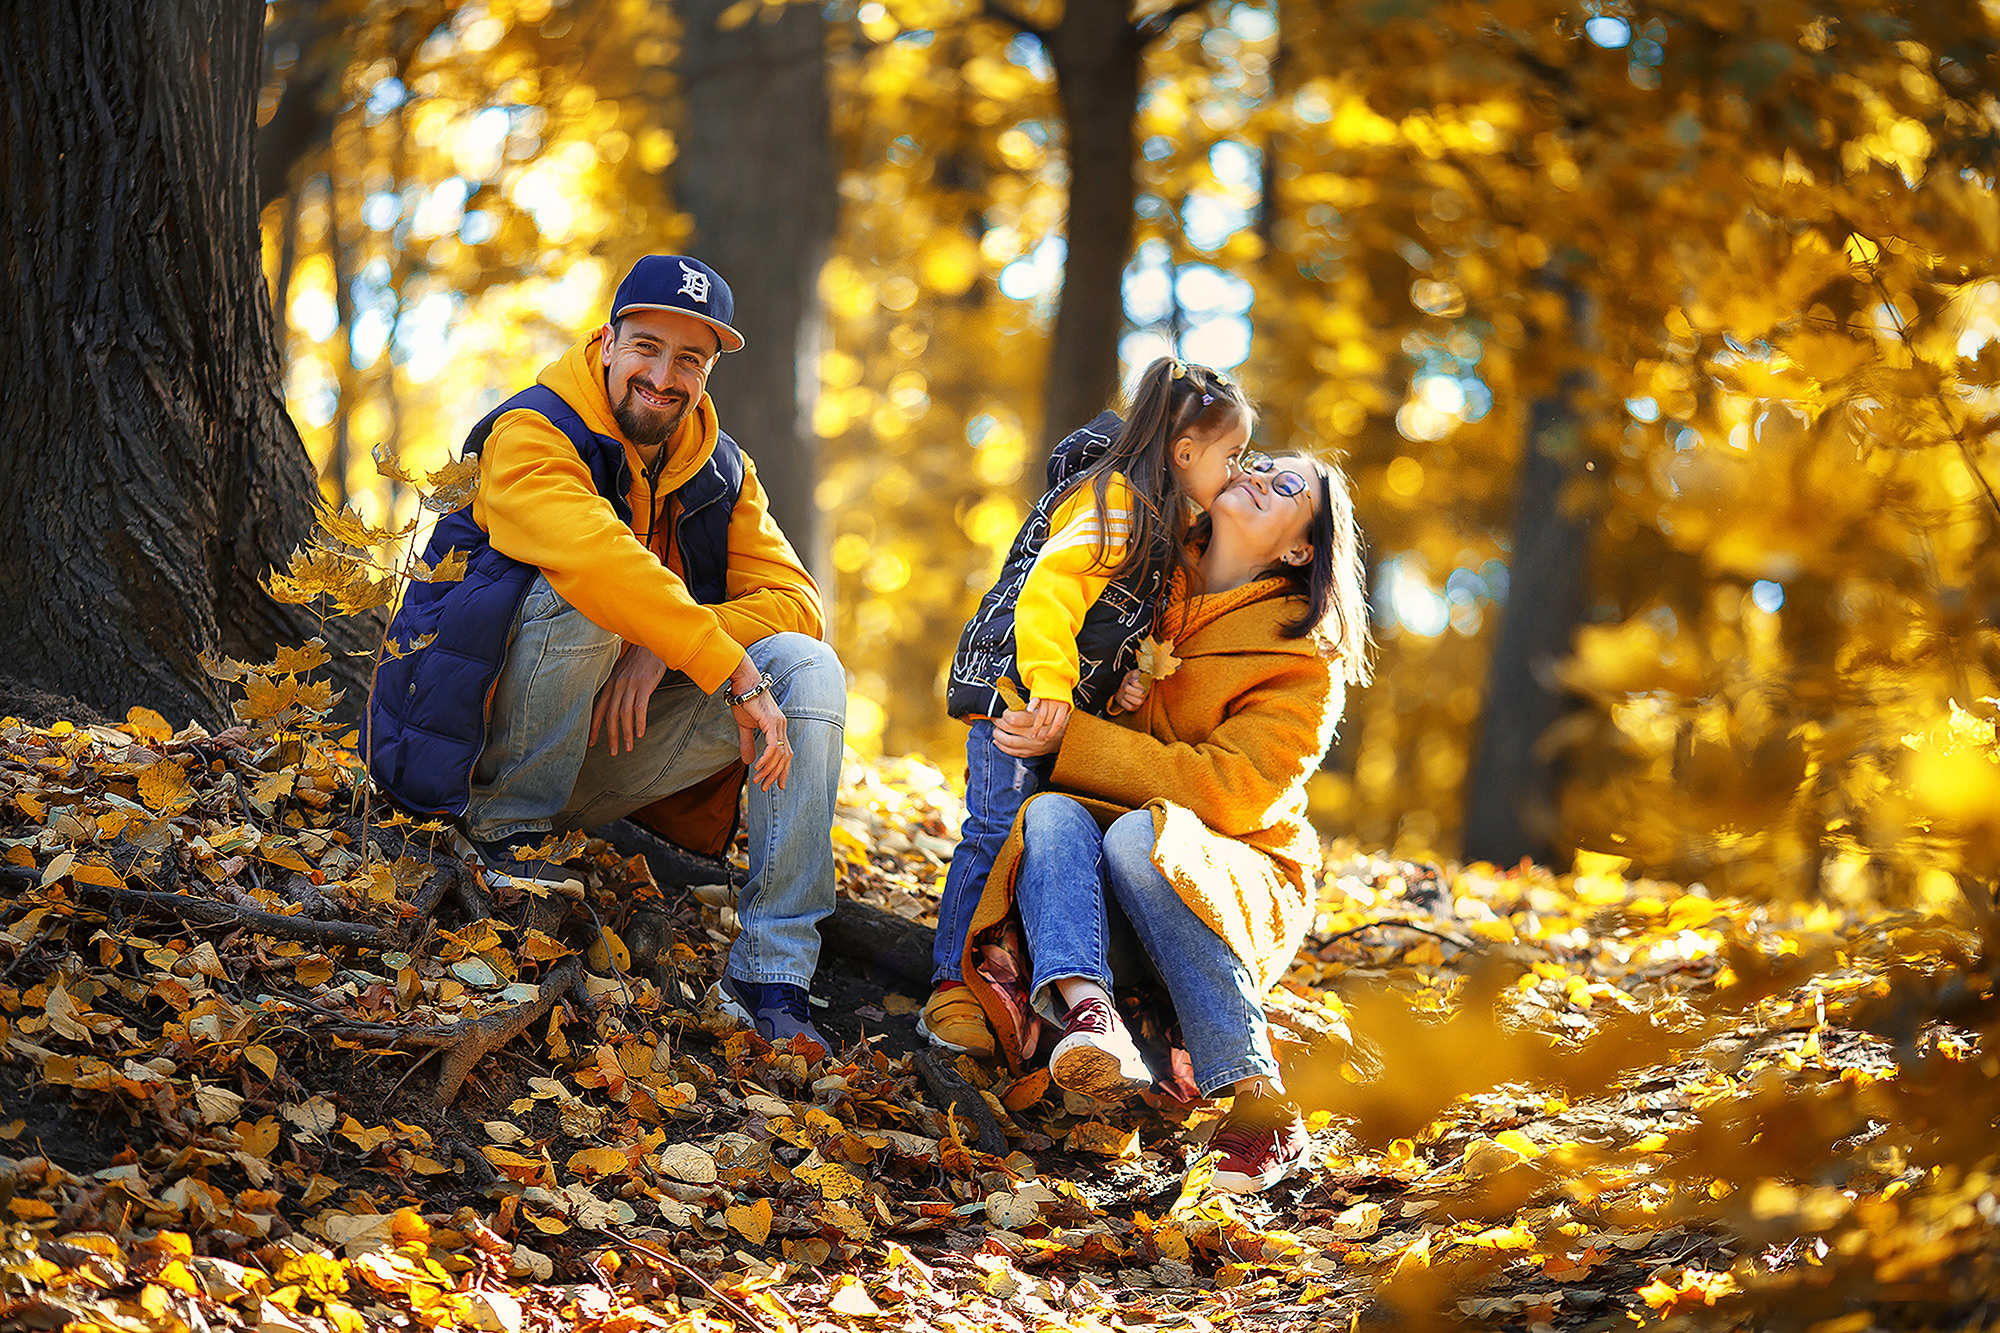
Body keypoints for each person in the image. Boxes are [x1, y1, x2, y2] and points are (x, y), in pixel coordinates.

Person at [369, 255, 845, 1059]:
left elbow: (800, 603)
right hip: (473, 754)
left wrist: (663, 651)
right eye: (648, 346)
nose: (664, 376)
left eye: (690, 359)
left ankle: (771, 975)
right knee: (590, 589)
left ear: (710, 370)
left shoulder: (723, 469)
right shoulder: (532, 430)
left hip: (596, 753)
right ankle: (504, 845)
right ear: (607, 338)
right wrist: (709, 655)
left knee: (806, 666)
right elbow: (597, 559)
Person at [955, 450, 1372, 1193]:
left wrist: (1075, 741)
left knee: (1140, 836)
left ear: (1299, 548)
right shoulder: (1145, 569)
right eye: (1262, 461)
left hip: (1230, 871)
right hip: (1110, 858)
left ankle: (1259, 1099)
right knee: (1050, 815)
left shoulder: (1306, 659)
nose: (1258, 474)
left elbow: (1235, 792)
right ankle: (1088, 1017)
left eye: (1285, 488)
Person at [921, 359, 1254, 1059]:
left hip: (1052, 703)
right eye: (1233, 456)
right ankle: (949, 986)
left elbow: (1108, 621)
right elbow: (1050, 590)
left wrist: (1125, 683)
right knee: (990, 833)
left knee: (1025, 844)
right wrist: (1048, 683)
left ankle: (1009, 989)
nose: (1236, 473)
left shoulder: (1157, 520)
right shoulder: (1117, 499)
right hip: (1015, 697)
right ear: (1186, 452)